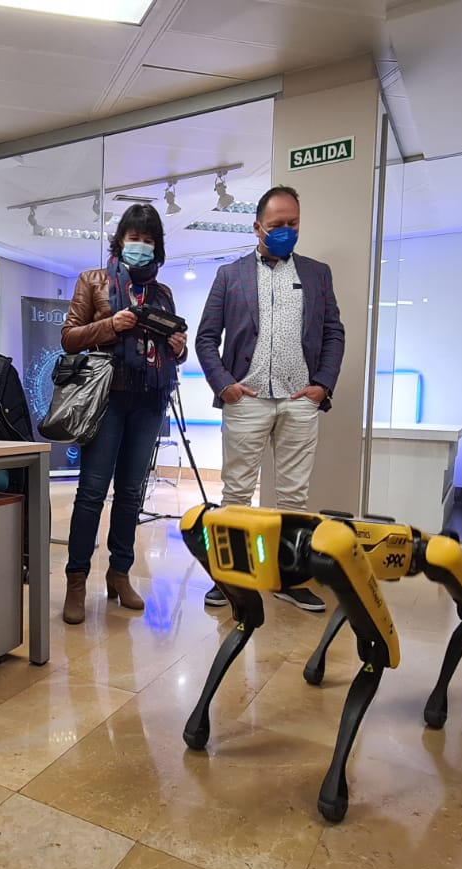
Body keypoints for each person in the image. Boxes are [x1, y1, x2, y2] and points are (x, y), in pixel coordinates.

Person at [196, 186, 345, 612]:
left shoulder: (318, 273)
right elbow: (207, 337)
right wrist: (224, 385)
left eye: (292, 224)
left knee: (294, 495)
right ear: (258, 226)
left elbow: (334, 331)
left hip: (301, 400)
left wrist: (323, 385)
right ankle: (230, 577)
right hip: (248, 397)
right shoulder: (230, 275)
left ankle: (288, 577)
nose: (285, 231)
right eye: (277, 225)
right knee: (237, 492)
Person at [60, 204, 188, 625]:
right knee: (92, 492)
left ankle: (119, 574)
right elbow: (69, 338)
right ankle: (76, 581)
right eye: (134, 238)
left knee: (132, 494)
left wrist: (179, 349)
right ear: (120, 241)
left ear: (157, 247)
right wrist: (112, 324)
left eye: (148, 240)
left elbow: (176, 347)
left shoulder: (162, 294)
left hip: (149, 401)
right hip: (106, 399)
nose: (140, 246)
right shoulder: (92, 281)